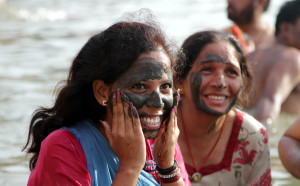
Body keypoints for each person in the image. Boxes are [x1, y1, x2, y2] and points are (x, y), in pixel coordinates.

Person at [23, 9, 190, 186]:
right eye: (140, 87)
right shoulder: (64, 146)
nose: (158, 102)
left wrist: (167, 168)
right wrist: (130, 168)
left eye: (165, 87)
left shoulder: (160, 146)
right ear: (102, 91)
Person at [173, 30, 271, 185]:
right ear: (179, 80)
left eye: (231, 72)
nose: (220, 83)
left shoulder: (252, 136)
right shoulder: (155, 128)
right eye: (207, 70)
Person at [245, 0, 300, 126]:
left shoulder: (253, 54)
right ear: (285, 29)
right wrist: (258, 141)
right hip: (263, 133)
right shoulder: (293, 59)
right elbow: (270, 100)